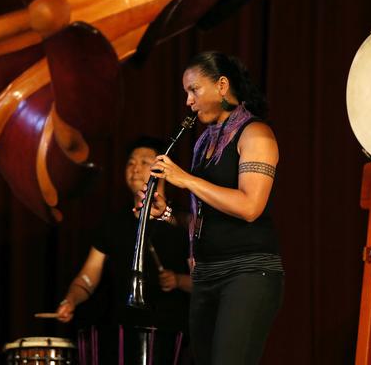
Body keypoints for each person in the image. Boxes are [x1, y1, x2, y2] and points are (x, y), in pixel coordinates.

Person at [148, 51, 284, 364]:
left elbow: (250, 206)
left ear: (222, 85)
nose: (188, 102)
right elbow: (205, 218)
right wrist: (166, 212)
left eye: (193, 90)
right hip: (207, 276)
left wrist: (185, 180)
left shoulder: (256, 134)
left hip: (248, 273)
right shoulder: (202, 143)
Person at [56, 136, 192, 362]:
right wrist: (71, 299)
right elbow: (89, 275)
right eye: (130, 163)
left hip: (171, 335)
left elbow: (206, 282)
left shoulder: (182, 223)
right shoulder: (113, 224)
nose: (135, 168)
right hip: (122, 334)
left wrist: (178, 280)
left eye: (144, 162)